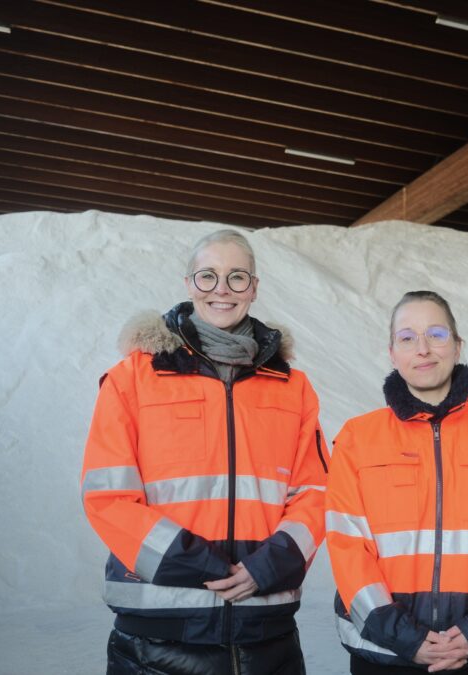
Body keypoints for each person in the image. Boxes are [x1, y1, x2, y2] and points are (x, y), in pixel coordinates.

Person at [81, 229, 330, 674]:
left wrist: (266, 567)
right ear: (188, 283)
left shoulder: (293, 388)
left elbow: (316, 492)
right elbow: (108, 498)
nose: (221, 289)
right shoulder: (132, 379)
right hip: (158, 639)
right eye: (208, 276)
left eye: (237, 277)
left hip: (265, 635)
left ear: (254, 288)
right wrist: (199, 564)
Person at [325, 290, 468, 674]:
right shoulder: (357, 438)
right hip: (384, 655)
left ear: (457, 346)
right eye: (407, 338)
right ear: (392, 353)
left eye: (436, 334)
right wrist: (404, 637)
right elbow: (346, 542)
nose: (423, 349)